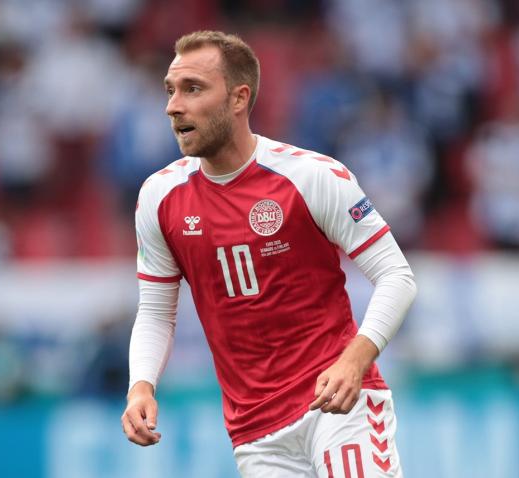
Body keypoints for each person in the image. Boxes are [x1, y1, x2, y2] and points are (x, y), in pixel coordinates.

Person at [121, 30, 417, 477]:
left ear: (239, 99)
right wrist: (140, 386)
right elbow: (157, 312)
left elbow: (397, 275)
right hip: (256, 435)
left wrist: (355, 360)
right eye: (170, 90)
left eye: (192, 89)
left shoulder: (310, 177)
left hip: (339, 407)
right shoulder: (160, 197)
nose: (173, 106)